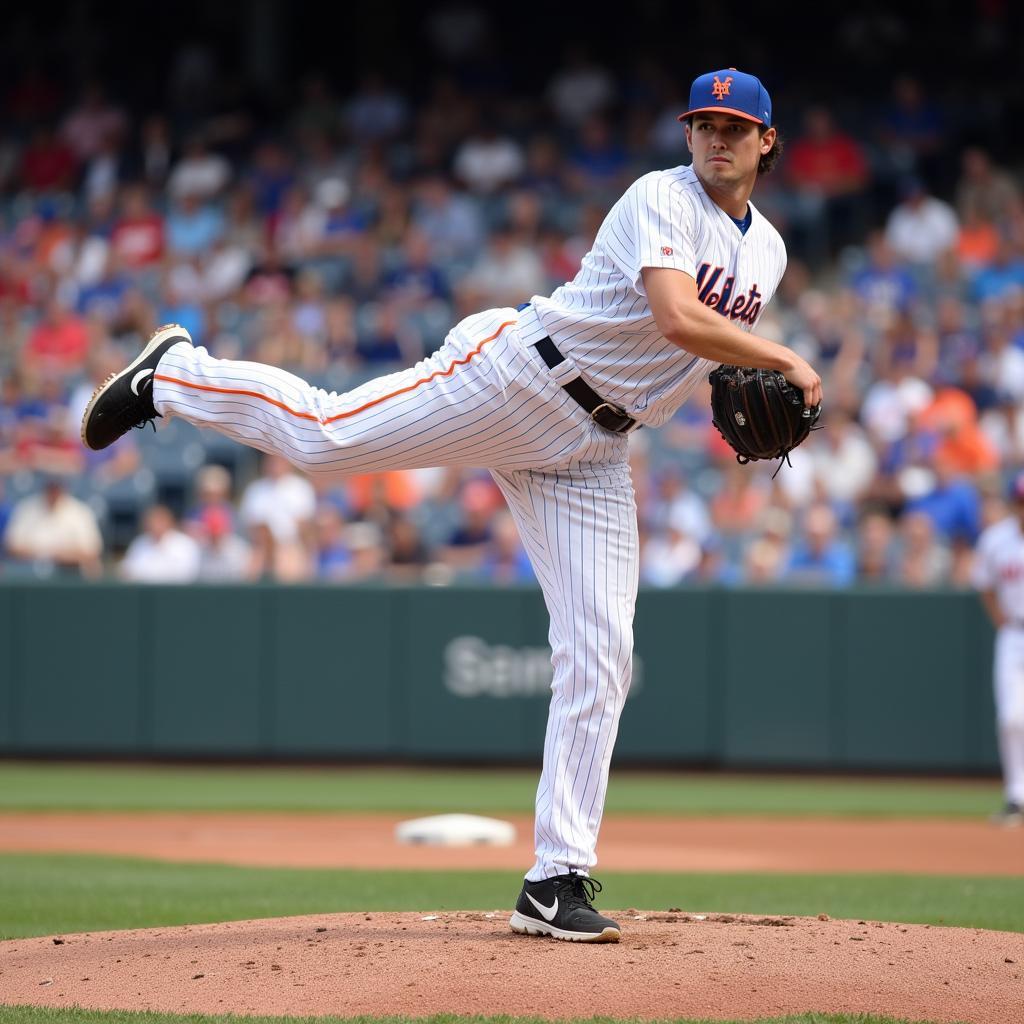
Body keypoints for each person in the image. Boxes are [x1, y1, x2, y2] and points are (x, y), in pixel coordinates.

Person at [81, 68, 822, 942]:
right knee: (326, 441)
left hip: (592, 448)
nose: (718, 138)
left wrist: (744, 386)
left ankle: (556, 879)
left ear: (768, 141)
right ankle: (175, 373)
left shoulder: (765, 252)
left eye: (736, 126)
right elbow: (674, 319)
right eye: (705, 123)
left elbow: (692, 361)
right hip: (522, 378)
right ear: (688, 134)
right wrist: (789, 361)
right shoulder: (659, 197)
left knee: (603, 651)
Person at [971, 472, 1024, 827]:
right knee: (1011, 718)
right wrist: (1002, 620)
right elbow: (984, 585)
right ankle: (1016, 797)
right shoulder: (996, 539)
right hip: (1015, 634)